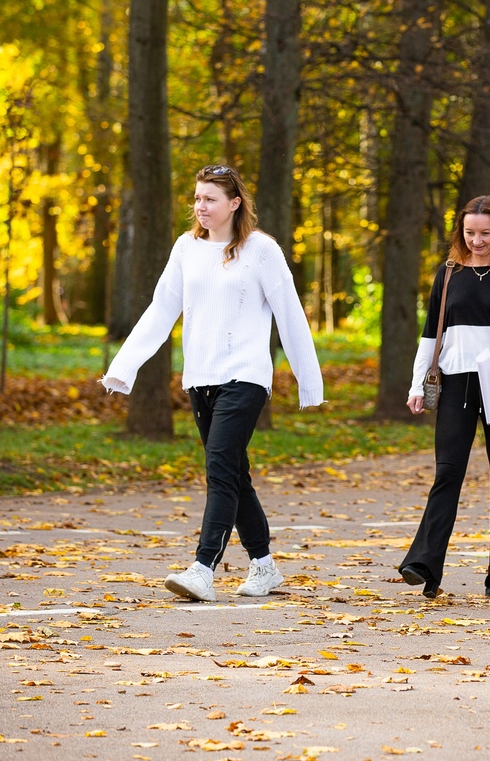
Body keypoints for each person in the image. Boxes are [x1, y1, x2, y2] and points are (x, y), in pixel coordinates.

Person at [101, 164, 323, 602]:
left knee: (219, 468)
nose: (201, 207)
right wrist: (123, 367)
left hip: (246, 377)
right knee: (234, 474)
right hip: (200, 378)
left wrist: (308, 383)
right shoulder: (186, 248)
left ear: (235, 204)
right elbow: (161, 310)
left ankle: (203, 569)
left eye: (211, 199)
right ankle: (264, 566)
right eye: (197, 199)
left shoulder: (261, 251)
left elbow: (291, 316)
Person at [399, 196, 490, 600]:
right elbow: (429, 332)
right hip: (456, 379)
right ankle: (425, 565)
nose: (477, 240)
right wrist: (415, 384)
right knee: (448, 470)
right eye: (470, 233)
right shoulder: (449, 273)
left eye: (485, 233)